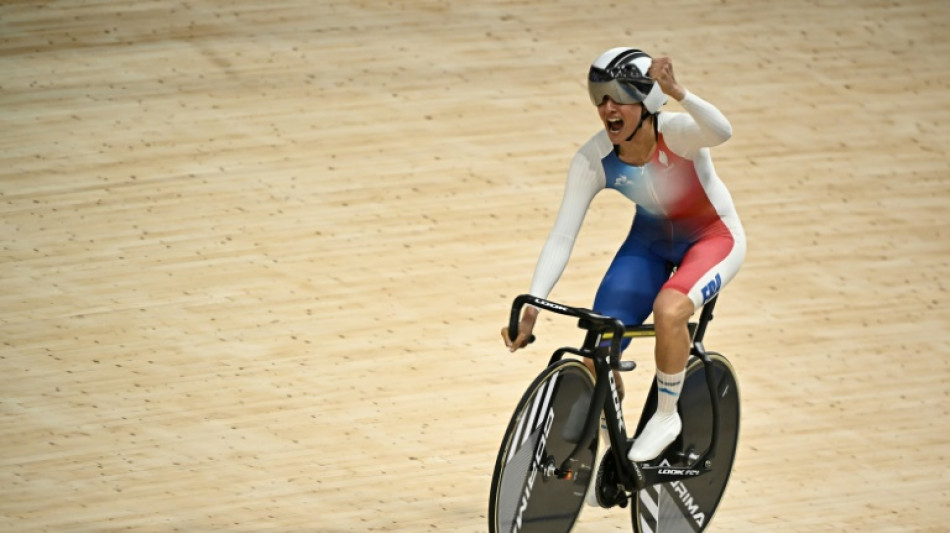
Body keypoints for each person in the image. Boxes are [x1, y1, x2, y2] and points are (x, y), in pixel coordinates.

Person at [501, 47, 745, 465]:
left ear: (646, 101)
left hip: (712, 238)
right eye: (600, 98)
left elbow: (722, 132)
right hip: (649, 244)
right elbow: (562, 236)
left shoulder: (678, 133)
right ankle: (609, 449)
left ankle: (667, 417)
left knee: (669, 311)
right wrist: (533, 304)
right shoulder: (593, 158)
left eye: (618, 98)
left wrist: (678, 91)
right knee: (599, 346)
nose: (606, 109)